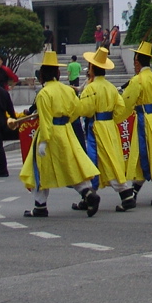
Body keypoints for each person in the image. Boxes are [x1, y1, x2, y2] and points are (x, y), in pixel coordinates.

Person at [19, 50, 100, 218]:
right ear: (57, 73)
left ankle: (40, 205)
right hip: (66, 131)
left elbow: (45, 119)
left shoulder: (44, 93)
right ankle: (88, 193)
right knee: (71, 166)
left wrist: (43, 141)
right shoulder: (67, 90)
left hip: (50, 135)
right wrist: (66, 121)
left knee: (39, 169)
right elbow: (77, 110)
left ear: (42, 74)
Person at [77, 46, 133, 210]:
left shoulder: (91, 88)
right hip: (109, 126)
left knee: (96, 160)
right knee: (110, 158)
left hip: (96, 128)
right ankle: (90, 195)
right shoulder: (110, 87)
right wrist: (111, 120)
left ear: (93, 68)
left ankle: (124, 193)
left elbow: (84, 109)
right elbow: (122, 108)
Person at [122, 41, 152, 205]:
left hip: (143, 121)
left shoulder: (137, 80)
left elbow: (127, 102)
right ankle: (135, 191)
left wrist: (118, 117)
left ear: (137, 61)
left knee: (146, 154)